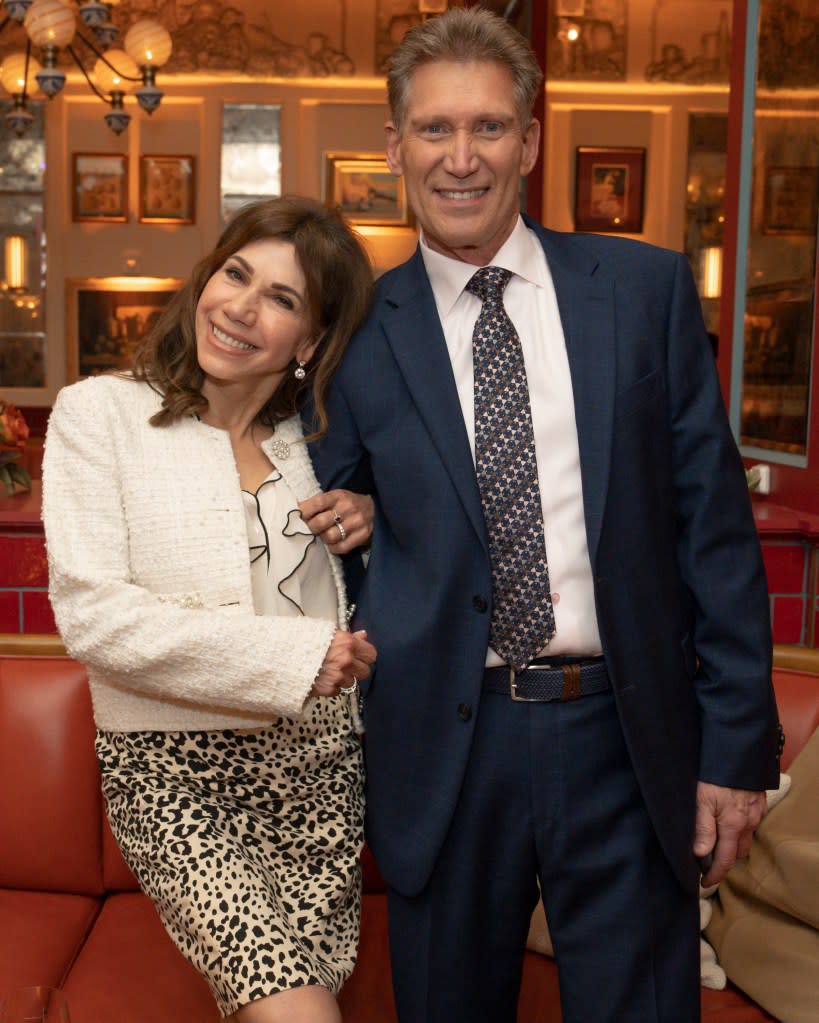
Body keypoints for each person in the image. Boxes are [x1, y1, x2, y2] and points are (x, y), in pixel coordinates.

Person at [302, 8, 782, 1023]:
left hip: (628, 735)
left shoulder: (642, 290)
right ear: (396, 147)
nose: (460, 157)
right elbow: (310, 541)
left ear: (529, 137)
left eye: (487, 127)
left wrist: (736, 750)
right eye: (434, 130)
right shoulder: (357, 337)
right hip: (443, 751)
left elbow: (714, 532)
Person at [42, 196, 377, 1023]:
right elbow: (95, 617)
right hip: (173, 774)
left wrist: (370, 527)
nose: (240, 306)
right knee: (295, 1011)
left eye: (282, 298)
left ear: (308, 340)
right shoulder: (101, 413)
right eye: (236, 273)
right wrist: (295, 659)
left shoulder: (318, 443)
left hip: (321, 777)